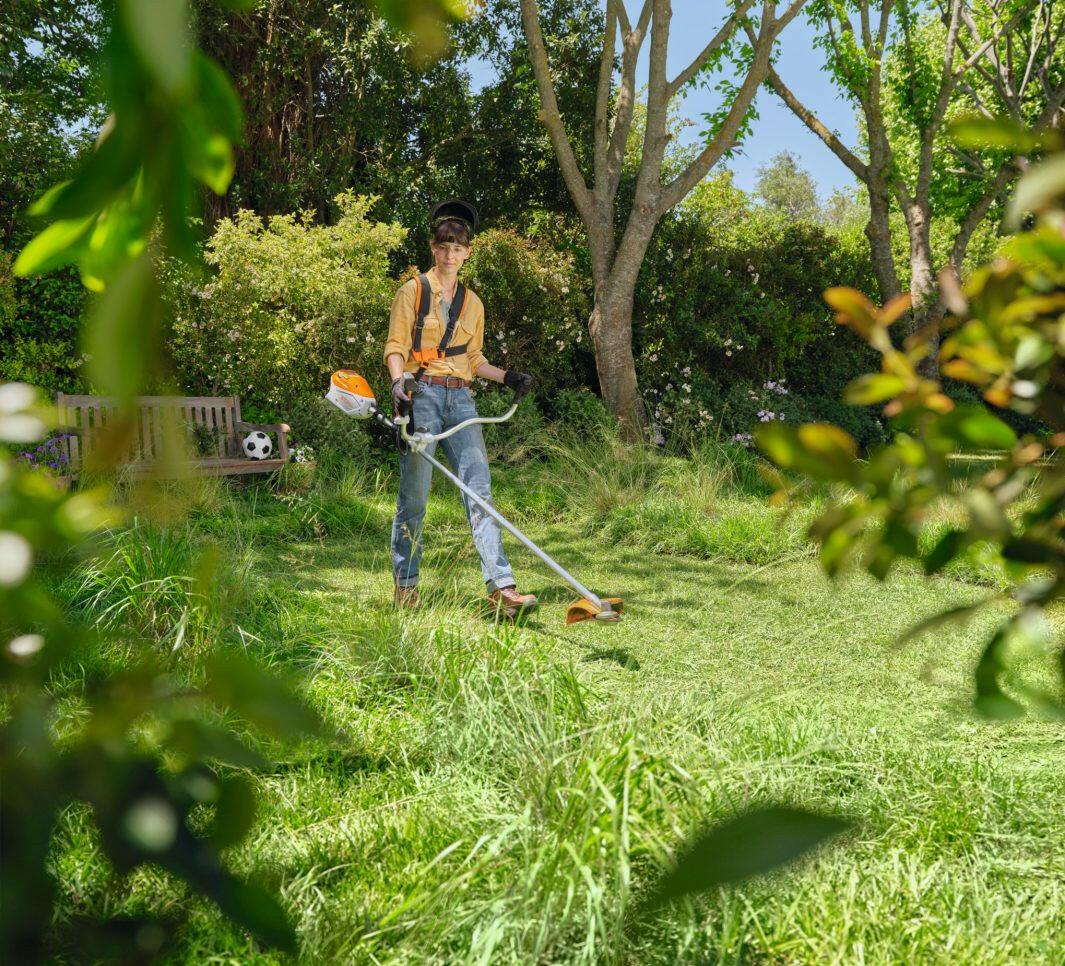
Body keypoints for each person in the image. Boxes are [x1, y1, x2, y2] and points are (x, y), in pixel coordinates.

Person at [383, 199, 537, 618]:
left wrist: (507, 377)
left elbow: (474, 359)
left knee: (479, 492)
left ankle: (502, 589)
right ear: (433, 248)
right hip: (424, 396)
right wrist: (400, 384)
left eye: (459, 247)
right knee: (414, 496)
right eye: (444, 246)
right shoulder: (412, 291)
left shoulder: (473, 303)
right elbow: (396, 348)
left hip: (463, 399)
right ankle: (407, 586)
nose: (451, 254)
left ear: (468, 251)